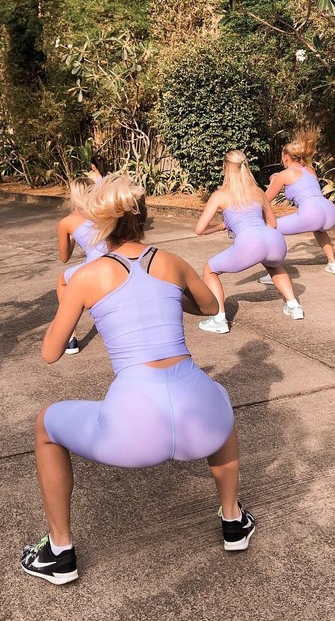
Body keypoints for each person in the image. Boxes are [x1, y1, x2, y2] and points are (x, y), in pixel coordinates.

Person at [21, 174, 254, 584]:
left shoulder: (86, 277)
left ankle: (59, 552)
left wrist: (82, 303)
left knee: (45, 424)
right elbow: (209, 305)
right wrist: (168, 293)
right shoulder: (170, 261)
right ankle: (233, 520)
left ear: (98, 224)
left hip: (135, 431)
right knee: (217, 393)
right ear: (143, 217)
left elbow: (50, 353)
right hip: (202, 425)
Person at [195, 149, 304, 334]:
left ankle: (219, 318)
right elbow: (272, 223)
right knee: (274, 265)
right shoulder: (257, 191)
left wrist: (221, 226)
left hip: (249, 242)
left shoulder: (220, 194)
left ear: (225, 168)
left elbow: (199, 229)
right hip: (275, 240)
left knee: (209, 270)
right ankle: (294, 306)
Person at [258, 129, 335, 285]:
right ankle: (333, 263)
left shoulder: (283, 175)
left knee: (270, 229)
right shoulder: (310, 170)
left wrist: (273, 182)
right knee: (319, 229)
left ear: (286, 157)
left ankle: (274, 273)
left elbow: (264, 199)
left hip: (311, 212)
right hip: (330, 211)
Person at [56, 177, 107, 354]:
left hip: (94, 265)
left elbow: (64, 257)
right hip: (117, 259)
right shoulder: (107, 211)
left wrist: (70, 237)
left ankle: (70, 338)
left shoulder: (67, 222)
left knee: (62, 281)